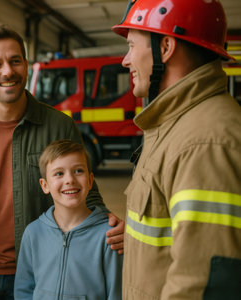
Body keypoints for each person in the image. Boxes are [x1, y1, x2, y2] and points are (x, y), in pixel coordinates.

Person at [0, 23, 125, 299]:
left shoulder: (59, 126)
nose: (7, 71)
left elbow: (86, 193)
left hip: (44, 275)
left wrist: (109, 225)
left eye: (15, 61)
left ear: (26, 65)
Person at [112, 0, 241, 299]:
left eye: (132, 46)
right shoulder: (173, 126)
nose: (125, 60)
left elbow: (204, 284)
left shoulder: (206, 142)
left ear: (166, 47)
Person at [14, 139, 123, 299]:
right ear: (45, 185)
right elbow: (23, 291)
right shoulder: (33, 233)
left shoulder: (108, 236)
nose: (70, 180)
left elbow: (116, 294)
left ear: (91, 180)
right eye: (59, 173)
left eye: (78, 171)